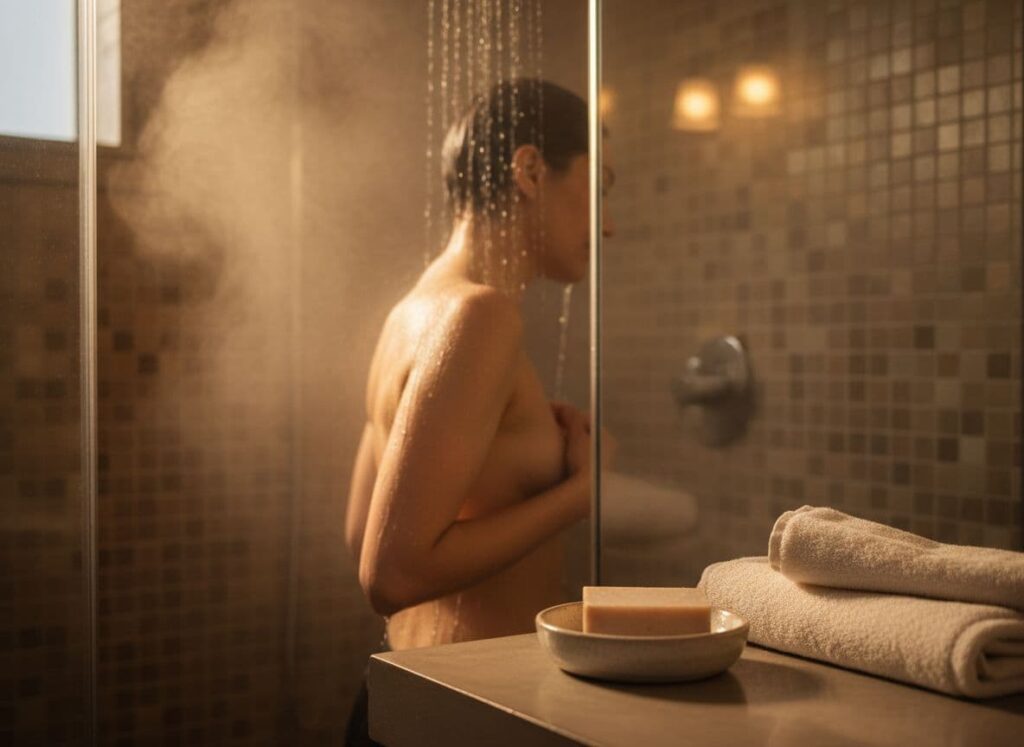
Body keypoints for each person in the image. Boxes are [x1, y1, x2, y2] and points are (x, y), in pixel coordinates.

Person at [343, 78, 614, 745]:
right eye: (599, 184)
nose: (607, 224)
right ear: (529, 171)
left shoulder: (410, 312)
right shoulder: (480, 314)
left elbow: (361, 531)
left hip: (412, 701)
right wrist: (581, 491)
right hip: (463, 713)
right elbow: (391, 572)